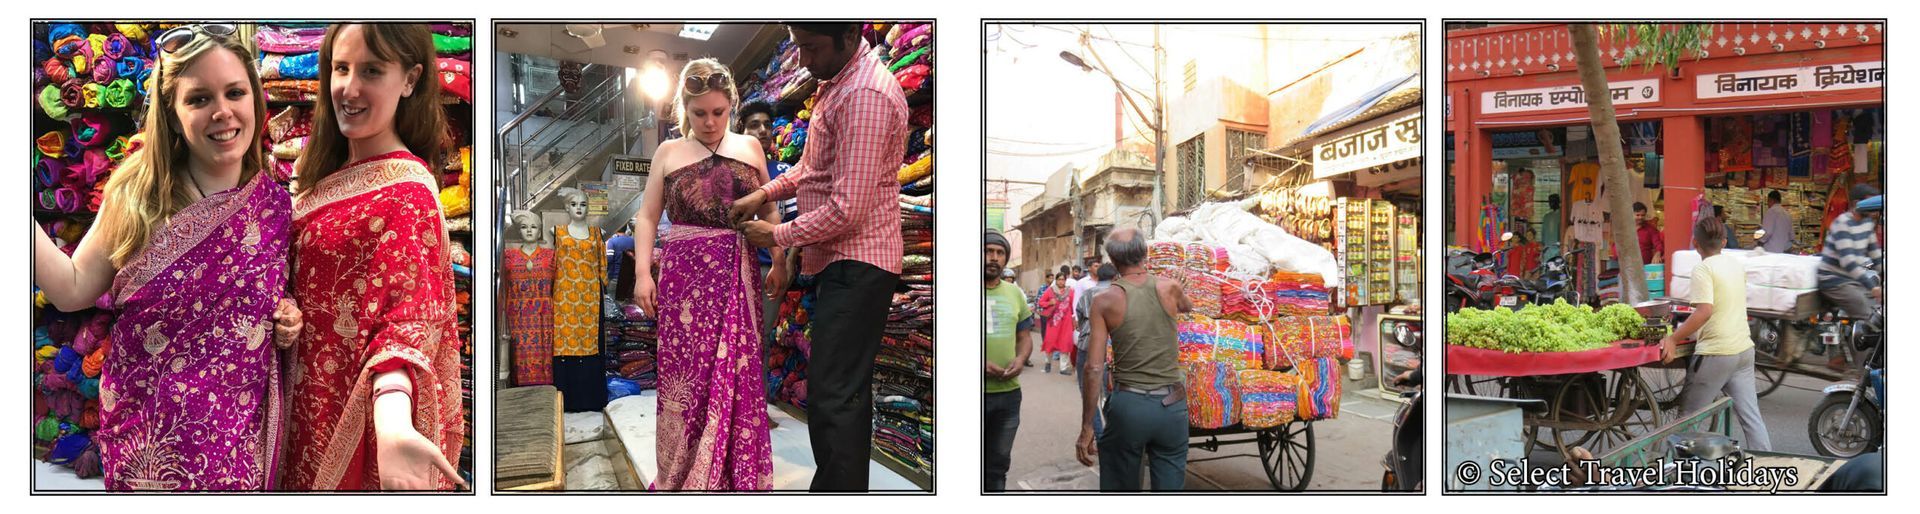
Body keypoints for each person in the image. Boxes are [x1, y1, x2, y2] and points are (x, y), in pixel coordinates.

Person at [32, 23, 300, 490]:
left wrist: (288, 315)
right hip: (146, 445)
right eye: (198, 99)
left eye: (235, 92)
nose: (222, 112)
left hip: (235, 443)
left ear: (255, 101)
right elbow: (72, 289)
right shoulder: (138, 195)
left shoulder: (275, 207)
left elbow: (275, 299)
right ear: (173, 114)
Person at [727, 22, 908, 491]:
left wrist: (777, 234)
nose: (803, 58)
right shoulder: (837, 84)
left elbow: (848, 208)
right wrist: (763, 192)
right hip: (840, 260)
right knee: (836, 393)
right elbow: (810, 169)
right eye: (798, 46)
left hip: (859, 259)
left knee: (835, 395)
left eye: (811, 46)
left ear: (848, 36)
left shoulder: (866, 93)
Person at [284, 23, 465, 491]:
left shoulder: (407, 195)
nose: (349, 87)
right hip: (298, 411)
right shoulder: (322, 176)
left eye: (372, 71)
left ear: (409, 80)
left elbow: (404, 324)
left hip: (350, 422)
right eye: (340, 69)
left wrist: (393, 422)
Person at [630, 58, 776, 491]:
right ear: (684, 110)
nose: (710, 122)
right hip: (684, 282)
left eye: (719, 112)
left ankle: (735, 479)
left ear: (731, 105)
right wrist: (642, 273)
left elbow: (769, 206)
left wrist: (782, 258)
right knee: (686, 378)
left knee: (739, 372)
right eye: (699, 113)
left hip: (738, 272)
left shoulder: (751, 149)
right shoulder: (668, 153)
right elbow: (647, 217)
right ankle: (682, 476)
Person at [1079, 228, 1192, 491]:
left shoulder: (1104, 300)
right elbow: (1187, 306)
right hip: (1173, 407)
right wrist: (1178, 287)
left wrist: (1087, 426)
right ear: (1145, 254)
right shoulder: (1170, 287)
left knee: (1121, 485)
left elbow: (1094, 367)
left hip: (1129, 407)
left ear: (1112, 260)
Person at [1660, 216, 1772, 451]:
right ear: (1723, 242)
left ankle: (1673, 478)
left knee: (1688, 419)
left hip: (1717, 354)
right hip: (1743, 349)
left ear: (1695, 243)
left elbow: (1704, 311)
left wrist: (1673, 338)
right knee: (1752, 419)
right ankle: (1767, 470)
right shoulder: (1734, 264)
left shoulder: (1703, 269)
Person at [982, 230, 1033, 492]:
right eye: (988, 251)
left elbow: (1024, 337)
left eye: (1000, 253)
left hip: (1008, 396)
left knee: (998, 465)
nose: (994, 258)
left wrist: (1022, 358)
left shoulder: (1015, 294)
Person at [1817, 185, 1884, 369]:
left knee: (1878, 310)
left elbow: (1875, 253)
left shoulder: (1867, 224)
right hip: (1834, 280)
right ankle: (1865, 370)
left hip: (1851, 279)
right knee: (1866, 314)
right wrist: (1872, 286)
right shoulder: (1842, 224)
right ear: (1857, 204)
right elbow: (1849, 262)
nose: (1874, 212)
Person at [1074, 263, 1117, 438]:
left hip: (1087, 347)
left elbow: (1079, 318)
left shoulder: (1087, 295)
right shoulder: (1120, 295)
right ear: (1115, 278)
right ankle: (1112, 435)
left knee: (1088, 394)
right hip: (1112, 350)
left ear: (1097, 277)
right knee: (1110, 394)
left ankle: (1099, 435)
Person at [1036, 266, 1076, 374]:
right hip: (1053, 322)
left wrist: (1074, 319)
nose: (1061, 281)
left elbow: (1073, 306)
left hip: (1066, 322)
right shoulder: (1050, 291)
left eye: (1063, 279)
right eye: (1059, 279)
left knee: (1065, 343)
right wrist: (1049, 303)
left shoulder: (1070, 291)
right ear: (1056, 280)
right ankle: (1047, 364)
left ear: (1065, 280)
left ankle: (1063, 368)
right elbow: (1041, 302)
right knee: (1050, 342)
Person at [1541, 194, 1563, 259]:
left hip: (1559, 248)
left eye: (1553, 201)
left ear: (1558, 202)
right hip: (1547, 249)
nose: (1550, 203)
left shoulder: (1562, 215)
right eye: (1549, 201)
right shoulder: (1546, 217)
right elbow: (1543, 234)